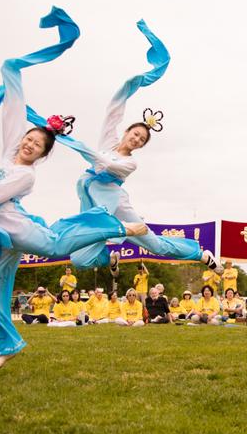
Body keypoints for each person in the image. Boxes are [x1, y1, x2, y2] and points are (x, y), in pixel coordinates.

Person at [0, 9, 147, 371]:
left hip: (17, 230)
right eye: (29, 138)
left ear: (42, 154)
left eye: (37, 145)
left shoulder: (26, 177)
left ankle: (118, 228)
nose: (29, 144)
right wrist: (11, 75)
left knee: (56, 245)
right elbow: (14, 113)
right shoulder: (11, 154)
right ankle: (9, 342)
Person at [64, 21, 219, 277]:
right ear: (127, 132)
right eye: (135, 134)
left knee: (156, 244)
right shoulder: (107, 142)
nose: (136, 140)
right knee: (79, 258)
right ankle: (109, 255)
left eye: (141, 140)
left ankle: (200, 254)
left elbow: (105, 164)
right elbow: (113, 111)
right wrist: (130, 85)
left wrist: (76, 145)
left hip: (118, 208)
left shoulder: (129, 163)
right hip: (95, 204)